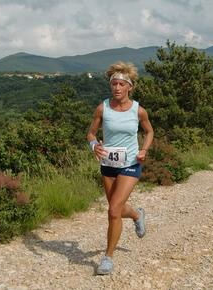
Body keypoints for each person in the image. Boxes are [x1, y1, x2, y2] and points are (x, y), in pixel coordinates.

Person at [87, 61, 154, 275]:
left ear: (129, 87)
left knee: (113, 210)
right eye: (113, 84)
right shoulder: (103, 107)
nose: (116, 88)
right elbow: (90, 133)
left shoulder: (138, 111)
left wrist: (144, 150)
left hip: (130, 164)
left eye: (121, 84)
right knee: (118, 209)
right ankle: (136, 214)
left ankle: (108, 257)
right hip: (108, 164)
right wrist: (94, 145)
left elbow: (150, 132)